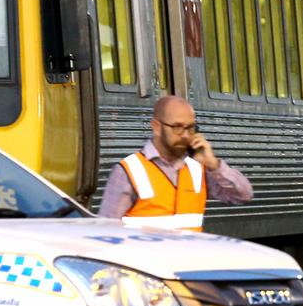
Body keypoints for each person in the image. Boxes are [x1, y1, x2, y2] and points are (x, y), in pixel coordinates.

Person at [96, 95, 252, 231]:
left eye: (190, 128)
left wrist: (214, 164)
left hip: (188, 264)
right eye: (177, 127)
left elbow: (243, 195)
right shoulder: (129, 171)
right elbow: (106, 231)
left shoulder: (198, 169)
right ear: (156, 127)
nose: (185, 135)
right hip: (144, 264)